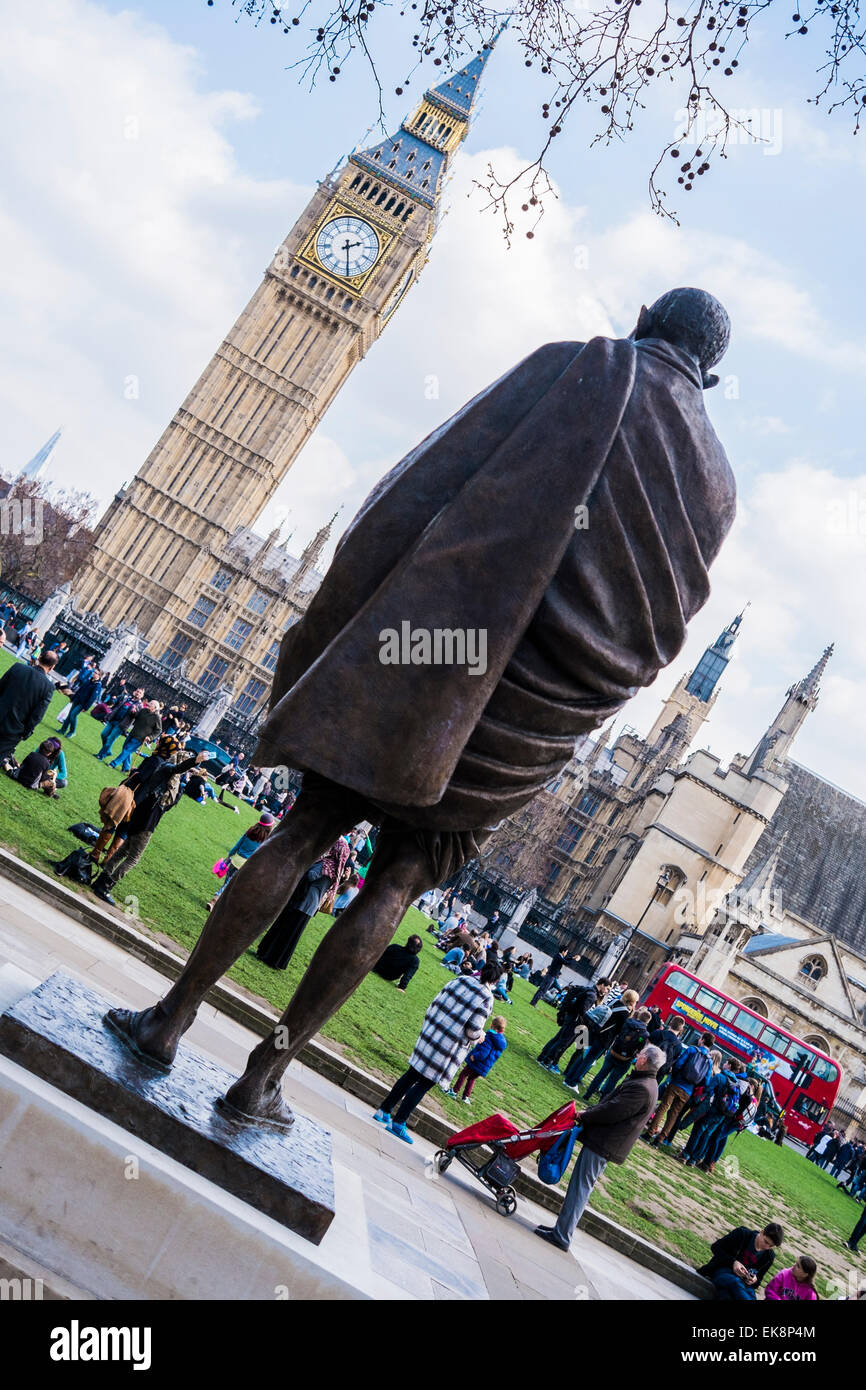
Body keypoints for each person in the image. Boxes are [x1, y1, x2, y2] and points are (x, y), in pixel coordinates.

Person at [102, 290, 738, 1130]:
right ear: (713, 374)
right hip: (533, 725)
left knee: (303, 832)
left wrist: (346, 619)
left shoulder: (583, 366)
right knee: (398, 885)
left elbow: (418, 487)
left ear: (647, 317)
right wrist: (570, 710)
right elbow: (658, 644)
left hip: (434, 663)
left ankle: (169, 1018)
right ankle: (262, 1078)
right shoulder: (719, 489)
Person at [535, 1043, 665, 1252]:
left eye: (639, 1053)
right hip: (604, 1142)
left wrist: (586, 1115)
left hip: (604, 1143)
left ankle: (562, 1235)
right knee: (580, 1187)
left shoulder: (642, 1087)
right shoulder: (647, 1083)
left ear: (644, 1060)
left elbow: (612, 1110)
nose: (636, 1055)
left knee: (580, 1189)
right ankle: (560, 1231)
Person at [372, 963, 499, 1142]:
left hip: (432, 1033)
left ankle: (383, 1110)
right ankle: (398, 1122)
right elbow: (473, 1029)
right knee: (425, 1082)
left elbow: (436, 1001)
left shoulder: (460, 980)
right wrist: (480, 1036)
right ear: (495, 980)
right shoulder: (486, 997)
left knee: (411, 1074)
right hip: (447, 1045)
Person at [90, 739, 208, 903]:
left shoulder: (170, 778)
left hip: (142, 816)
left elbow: (170, 803)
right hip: (147, 821)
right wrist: (195, 760)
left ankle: (100, 882)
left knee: (124, 851)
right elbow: (177, 769)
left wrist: (184, 782)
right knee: (133, 859)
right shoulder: (167, 769)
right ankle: (106, 886)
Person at [255, 837, 351, 971]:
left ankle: (268, 955)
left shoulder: (327, 864)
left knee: (284, 928)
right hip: (310, 904)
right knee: (292, 934)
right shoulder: (337, 870)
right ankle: (276, 960)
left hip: (303, 900)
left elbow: (311, 875)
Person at [646, 1031, 715, 1146]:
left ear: (703, 1040)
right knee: (674, 1114)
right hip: (688, 1090)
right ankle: (660, 1139)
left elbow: (678, 1064)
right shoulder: (710, 1060)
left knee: (663, 1107)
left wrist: (675, 1076)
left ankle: (649, 1133)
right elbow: (706, 1081)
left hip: (677, 1083)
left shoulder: (692, 1050)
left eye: (700, 1038)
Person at [563, 989, 638, 1090]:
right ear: (632, 1001)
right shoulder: (624, 1013)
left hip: (594, 1030)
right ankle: (573, 1082)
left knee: (583, 1056)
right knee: (589, 1060)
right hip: (604, 1039)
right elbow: (620, 1030)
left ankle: (569, 1078)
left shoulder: (614, 1002)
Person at [697, 1222, 784, 1300]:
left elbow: (757, 1282)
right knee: (735, 1283)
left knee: (733, 1295)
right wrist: (733, 1262)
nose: (766, 1247)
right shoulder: (742, 1234)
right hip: (722, 1271)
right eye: (766, 1242)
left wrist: (754, 1280)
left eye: (770, 1246)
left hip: (743, 1284)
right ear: (761, 1232)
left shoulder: (769, 1256)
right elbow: (715, 1247)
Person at [538, 978, 608, 1073]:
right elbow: (583, 1011)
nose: (606, 991)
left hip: (571, 1017)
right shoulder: (592, 995)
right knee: (563, 1042)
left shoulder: (588, 990)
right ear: (602, 985)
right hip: (575, 1020)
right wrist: (583, 1023)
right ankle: (547, 1061)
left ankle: (543, 1057)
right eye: (607, 988)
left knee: (559, 1038)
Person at [0, 648, 58, 762]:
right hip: (14, 729)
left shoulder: (18, 667)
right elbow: (37, 716)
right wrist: (26, 732)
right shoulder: (47, 687)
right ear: (52, 667)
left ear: (39, 658)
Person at [208, 813, 275, 907]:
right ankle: (215, 900)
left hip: (234, 861)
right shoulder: (266, 839)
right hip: (246, 866)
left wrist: (229, 856)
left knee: (228, 882)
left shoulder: (250, 831)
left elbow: (237, 845)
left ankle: (219, 902)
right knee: (228, 885)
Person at [584, 1006, 651, 1100]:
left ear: (639, 1016)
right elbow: (640, 1049)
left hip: (614, 1051)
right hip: (625, 1059)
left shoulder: (628, 1022)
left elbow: (618, 1033)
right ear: (647, 1022)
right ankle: (603, 1100)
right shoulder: (645, 1034)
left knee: (601, 1074)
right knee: (613, 1080)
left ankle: (588, 1094)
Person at [448, 1015, 507, 1103]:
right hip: (484, 1067)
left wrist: (475, 1056)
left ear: (492, 1025)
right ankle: (465, 1097)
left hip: (476, 1062)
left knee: (463, 1074)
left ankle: (454, 1091)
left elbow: (485, 1052)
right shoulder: (501, 1041)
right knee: (472, 1079)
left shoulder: (489, 1037)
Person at [109, 700, 162, 772]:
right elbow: (136, 716)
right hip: (133, 733)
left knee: (127, 750)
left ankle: (113, 764)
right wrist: (133, 712)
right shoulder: (143, 710)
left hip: (141, 738)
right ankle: (126, 768)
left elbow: (158, 730)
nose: (149, 704)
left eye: (151, 703)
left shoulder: (157, 717)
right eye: (150, 702)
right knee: (126, 749)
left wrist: (150, 737)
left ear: (155, 707)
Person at [96, 687, 144, 761]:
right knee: (104, 734)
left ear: (142, 695)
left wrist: (134, 711)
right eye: (137, 691)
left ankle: (101, 755)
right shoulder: (127, 698)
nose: (138, 693)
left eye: (140, 693)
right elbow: (118, 705)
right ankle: (108, 751)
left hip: (121, 725)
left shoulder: (140, 705)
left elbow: (136, 717)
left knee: (110, 739)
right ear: (135, 691)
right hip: (114, 719)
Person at [59, 664, 103, 737]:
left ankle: (72, 731)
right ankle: (62, 730)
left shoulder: (97, 685)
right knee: (70, 714)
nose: (93, 673)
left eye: (96, 673)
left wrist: (86, 707)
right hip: (77, 699)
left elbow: (92, 698)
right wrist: (72, 698)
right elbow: (80, 689)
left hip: (83, 704)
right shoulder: (89, 680)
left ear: (99, 676)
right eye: (94, 672)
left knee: (73, 715)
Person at [649, 1013, 686, 1085]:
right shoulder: (679, 1046)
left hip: (647, 1064)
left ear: (670, 1023)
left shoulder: (657, 1033)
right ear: (681, 1029)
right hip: (659, 1072)